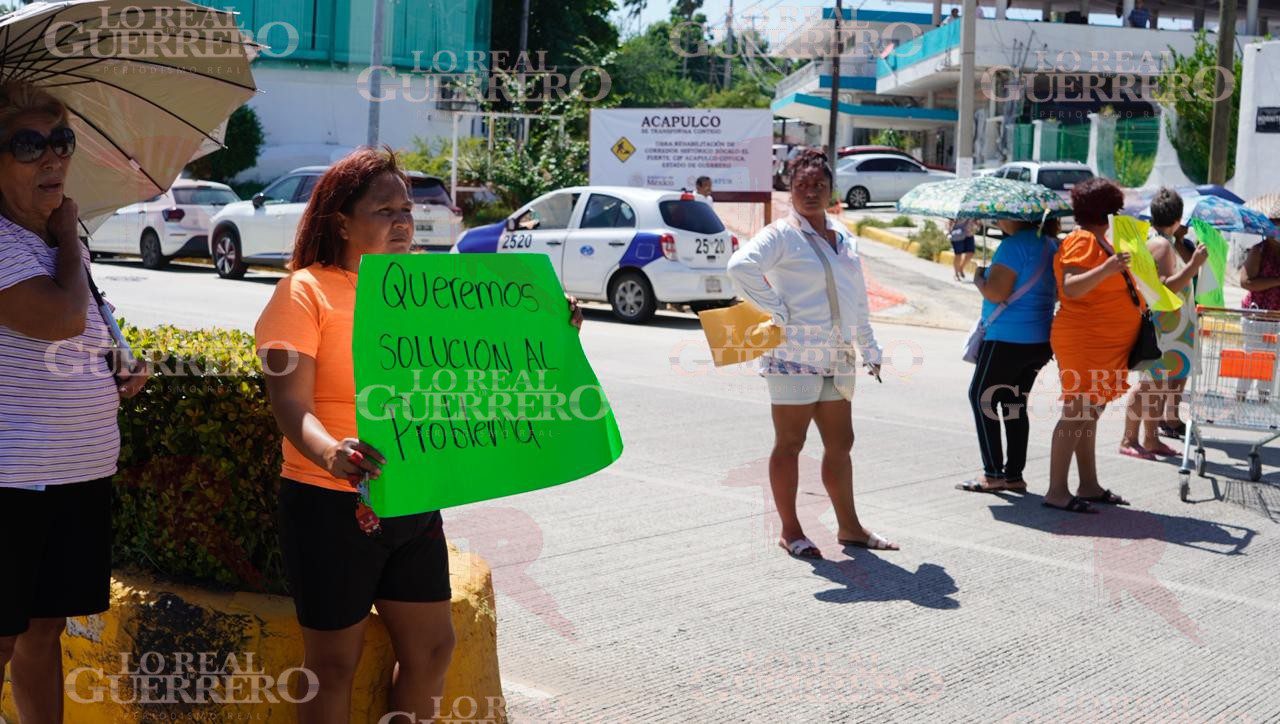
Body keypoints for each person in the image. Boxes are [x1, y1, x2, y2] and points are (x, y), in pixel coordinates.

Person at [255, 146, 584, 723]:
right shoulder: (302, 293)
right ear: (342, 222)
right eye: (385, 210)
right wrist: (330, 451)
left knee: (434, 648)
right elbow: (289, 403)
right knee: (332, 665)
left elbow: (487, 357)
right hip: (328, 505)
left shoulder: (421, 290)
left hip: (411, 498)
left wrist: (552, 324)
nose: (403, 221)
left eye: (407, 208)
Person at [0, 81, 149, 722]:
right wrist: (66, 235)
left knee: (42, 630)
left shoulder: (59, 239)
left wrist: (117, 357)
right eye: (29, 144)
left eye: (61, 141)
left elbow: (83, 325)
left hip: (75, 473)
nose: (53, 158)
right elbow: (59, 318)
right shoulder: (21, 239)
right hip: (13, 481)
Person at [726, 149, 896, 558]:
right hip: (794, 356)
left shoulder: (843, 236)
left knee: (842, 442)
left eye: (819, 185)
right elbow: (740, 267)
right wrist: (775, 308)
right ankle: (791, 530)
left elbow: (856, 298)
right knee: (790, 442)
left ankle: (850, 528)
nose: (811, 192)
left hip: (837, 356)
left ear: (831, 190)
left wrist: (868, 347)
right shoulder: (781, 235)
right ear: (789, 189)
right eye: (802, 185)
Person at [1046, 177, 1138, 513]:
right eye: (1117, 209)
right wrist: (1108, 267)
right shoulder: (1082, 240)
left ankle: (1088, 484)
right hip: (1085, 340)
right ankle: (1057, 491)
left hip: (1102, 343)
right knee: (1077, 413)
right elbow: (1071, 287)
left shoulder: (1101, 242)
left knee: (1089, 414)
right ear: (1105, 211)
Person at [958, 218, 1058, 494]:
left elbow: (996, 292)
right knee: (1014, 404)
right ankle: (1014, 475)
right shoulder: (1050, 244)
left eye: (1000, 215)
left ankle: (993, 474)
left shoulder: (1014, 246)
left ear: (1015, 217)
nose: (996, 218)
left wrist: (979, 279)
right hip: (1038, 339)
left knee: (982, 397)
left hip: (1006, 338)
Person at [1120, 188, 1207, 458]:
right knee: (1149, 384)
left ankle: (1150, 438)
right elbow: (1164, 287)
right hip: (1163, 327)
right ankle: (1129, 439)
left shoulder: (1161, 241)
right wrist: (1193, 265)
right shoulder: (1161, 244)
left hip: (1169, 328)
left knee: (1157, 384)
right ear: (1178, 219)